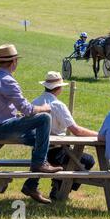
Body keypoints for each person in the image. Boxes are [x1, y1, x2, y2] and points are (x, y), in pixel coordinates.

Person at [0, 44, 63, 205]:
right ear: (13, 62)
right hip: (1, 129)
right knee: (44, 119)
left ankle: (31, 185)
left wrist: (15, 115)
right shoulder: (8, 81)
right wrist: (45, 108)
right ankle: (39, 167)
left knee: (41, 140)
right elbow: (28, 110)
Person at [30, 71, 98, 202]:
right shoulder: (58, 105)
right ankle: (61, 188)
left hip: (37, 153)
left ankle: (58, 185)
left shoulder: (35, 102)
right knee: (88, 161)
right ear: (59, 88)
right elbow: (76, 130)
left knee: (76, 159)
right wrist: (99, 134)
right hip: (57, 152)